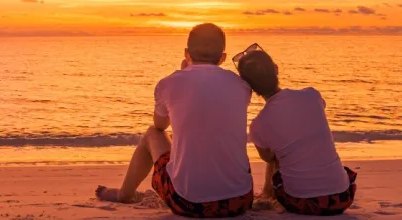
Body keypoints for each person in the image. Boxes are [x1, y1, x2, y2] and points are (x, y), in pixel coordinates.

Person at [94, 23, 255, 218]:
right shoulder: (242, 85)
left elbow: (160, 125)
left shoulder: (168, 83)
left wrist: (182, 74)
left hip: (187, 203)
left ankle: (124, 194)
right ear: (222, 58)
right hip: (239, 201)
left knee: (152, 134)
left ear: (187, 53)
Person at [236, 50, 357, 216]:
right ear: (276, 69)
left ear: (250, 87)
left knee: (278, 151)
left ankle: (268, 193)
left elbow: (269, 158)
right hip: (342, 197)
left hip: (300, 202)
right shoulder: (312, 96)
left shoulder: (258, 125)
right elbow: (318, 110)